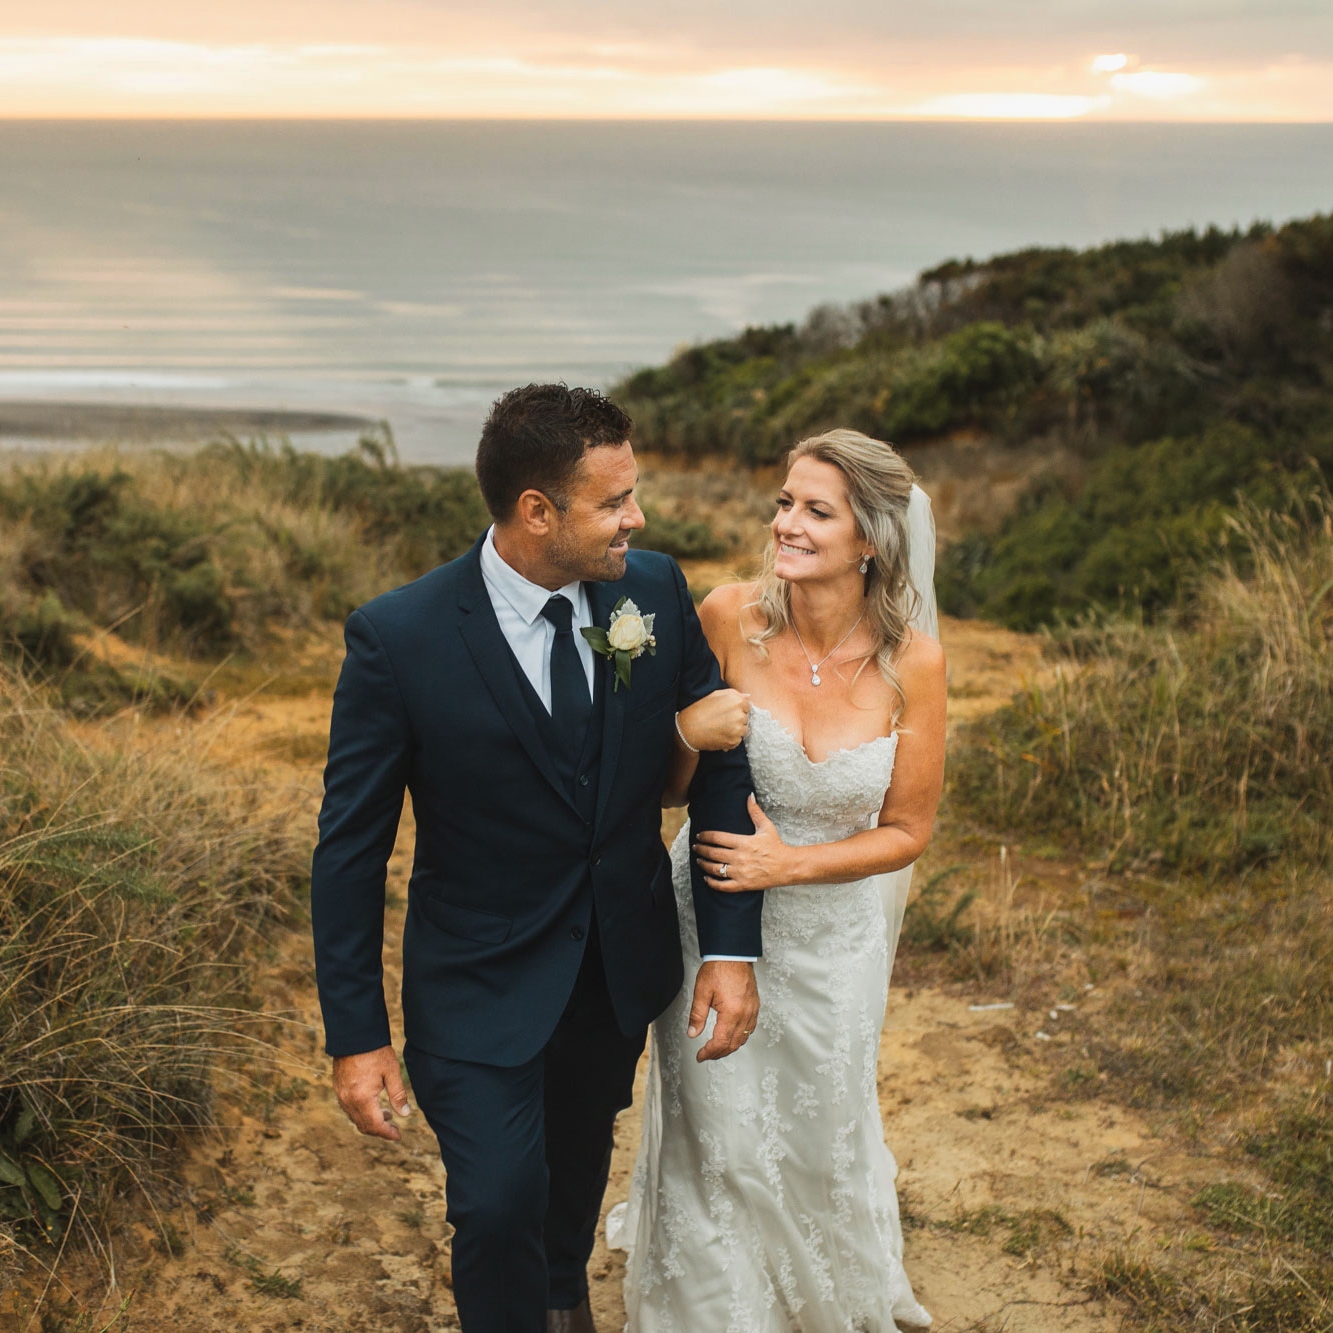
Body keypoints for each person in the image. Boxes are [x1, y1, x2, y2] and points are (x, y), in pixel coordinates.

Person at [310, 383, 766, 1333]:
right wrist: (356, 1037)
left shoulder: (652, 591)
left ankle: (564, 1295)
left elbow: (719, 761)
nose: (636, 518)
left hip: (613, 964)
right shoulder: (400, 638)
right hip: (473, 974)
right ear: (537, 511)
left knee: (572, 1168)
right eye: (614, 502)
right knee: (496, 1202)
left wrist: (731, 947)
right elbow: (350, 851)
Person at [609, 429, 948, 1332]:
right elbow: (674, 786)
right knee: (713, 1130)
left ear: (871, 538)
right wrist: (688, 732)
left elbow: (909, 829)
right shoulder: (724, 615)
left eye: (815, 511)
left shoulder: (913, 661)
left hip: (833, 935)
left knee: (820, 1127)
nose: (786, 525)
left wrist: (794, 864)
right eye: (784, 503)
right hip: (712, 908)